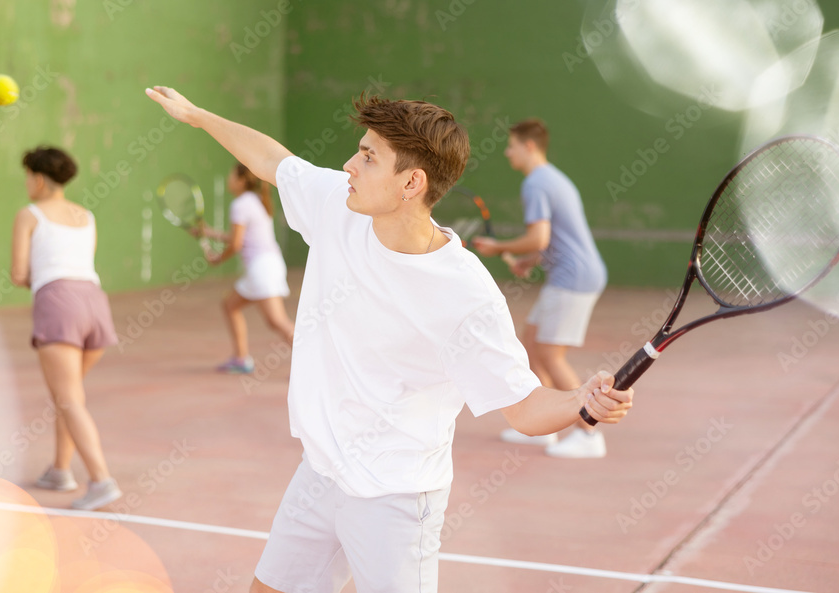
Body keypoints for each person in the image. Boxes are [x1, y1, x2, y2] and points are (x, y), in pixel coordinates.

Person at [146, 86, 632, 593]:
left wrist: (582, 401)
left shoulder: (465, 294)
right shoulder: (339, 205)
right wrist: (199, 116)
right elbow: (275, 161)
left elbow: (524, 408)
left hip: (396, 497)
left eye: (368, 157)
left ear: (411, 182)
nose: (349, 165)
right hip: (321, 474)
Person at [473, 119, 609, 458]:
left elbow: (540, 237)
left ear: (529, 147)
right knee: (531, 341)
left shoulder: (536, 183)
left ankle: (589, 435)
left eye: (511, 145)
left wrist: (497, 246)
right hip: (567, 273)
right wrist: (530, 261)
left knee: (550, 355)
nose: (507, 152)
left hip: (574, 278)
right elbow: (556, 240)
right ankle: (541, 429)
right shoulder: (553, 178)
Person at [10, 146, 123, 511]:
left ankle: (101, 480)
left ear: (39, 179)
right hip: (94, 302)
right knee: (70, 396)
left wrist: (43, 282)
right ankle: (60, 470)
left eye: (28, 175)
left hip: (59, 304)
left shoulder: (28, 215)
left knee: (70, 400)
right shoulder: (85, 216)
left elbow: (18, 274)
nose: (27, 182)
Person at [194, 162, 295, 373]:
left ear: (240, 181)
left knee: (278, 322)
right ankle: (241, 359)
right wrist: (211, 233)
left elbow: (237, 244)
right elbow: (241, 237)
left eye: (231, 176)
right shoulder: (256, 201)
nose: (229, 179)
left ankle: (312, 367)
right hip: (270, 264)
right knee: (230, 305)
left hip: (262, 269)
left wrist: (218, 259)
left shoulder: (240, 205)